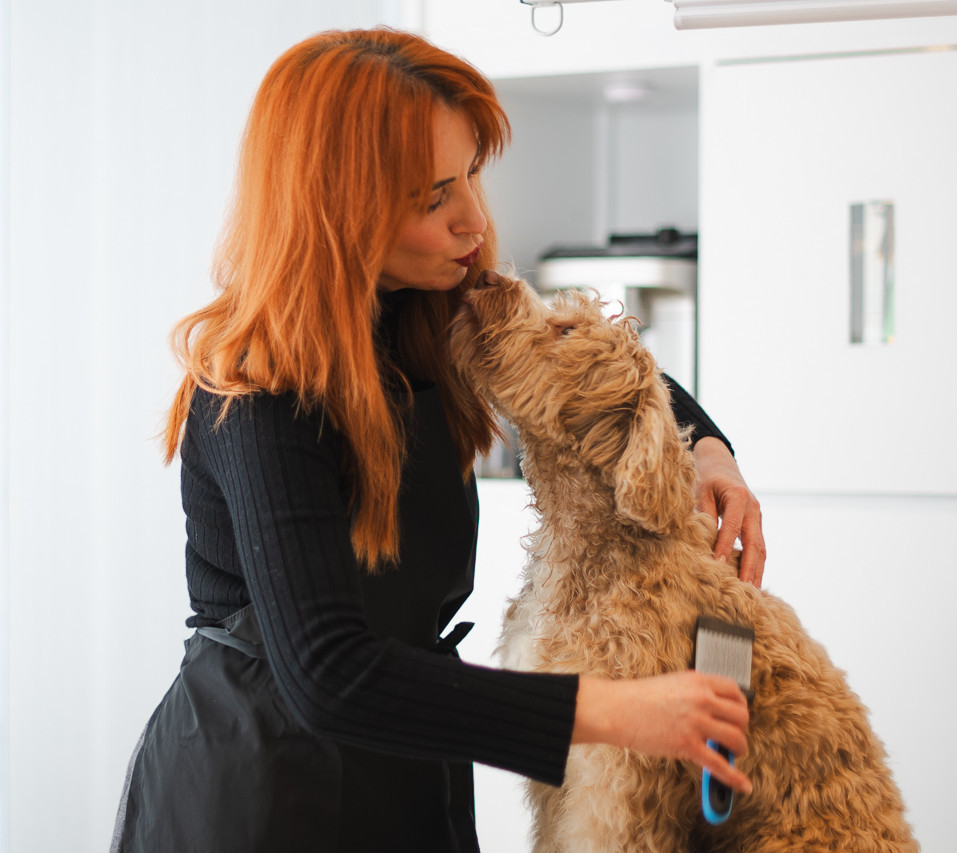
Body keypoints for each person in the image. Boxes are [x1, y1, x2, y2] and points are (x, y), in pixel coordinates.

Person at [111, 26, 767, 853]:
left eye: (471, 175)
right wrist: (615, 710)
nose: (474, 221)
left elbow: (594, 374)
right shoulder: (257, 390)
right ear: (338, 211)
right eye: (433, 199)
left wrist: (709, 453)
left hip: (407, 766)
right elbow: (329, 673)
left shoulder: (431, 312)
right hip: (261, 792)